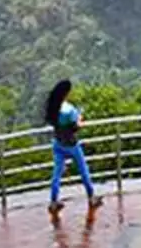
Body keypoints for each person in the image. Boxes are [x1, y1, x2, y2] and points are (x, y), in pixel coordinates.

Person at [44, 80, 103, 214]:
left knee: (56, 174)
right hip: (71, 145)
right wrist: (80, 119)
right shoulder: (69, 109)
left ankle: (53, 201)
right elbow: (75, 127)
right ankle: (91, 197)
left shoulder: (53, 107)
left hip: (58, 144)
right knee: (83, 170)